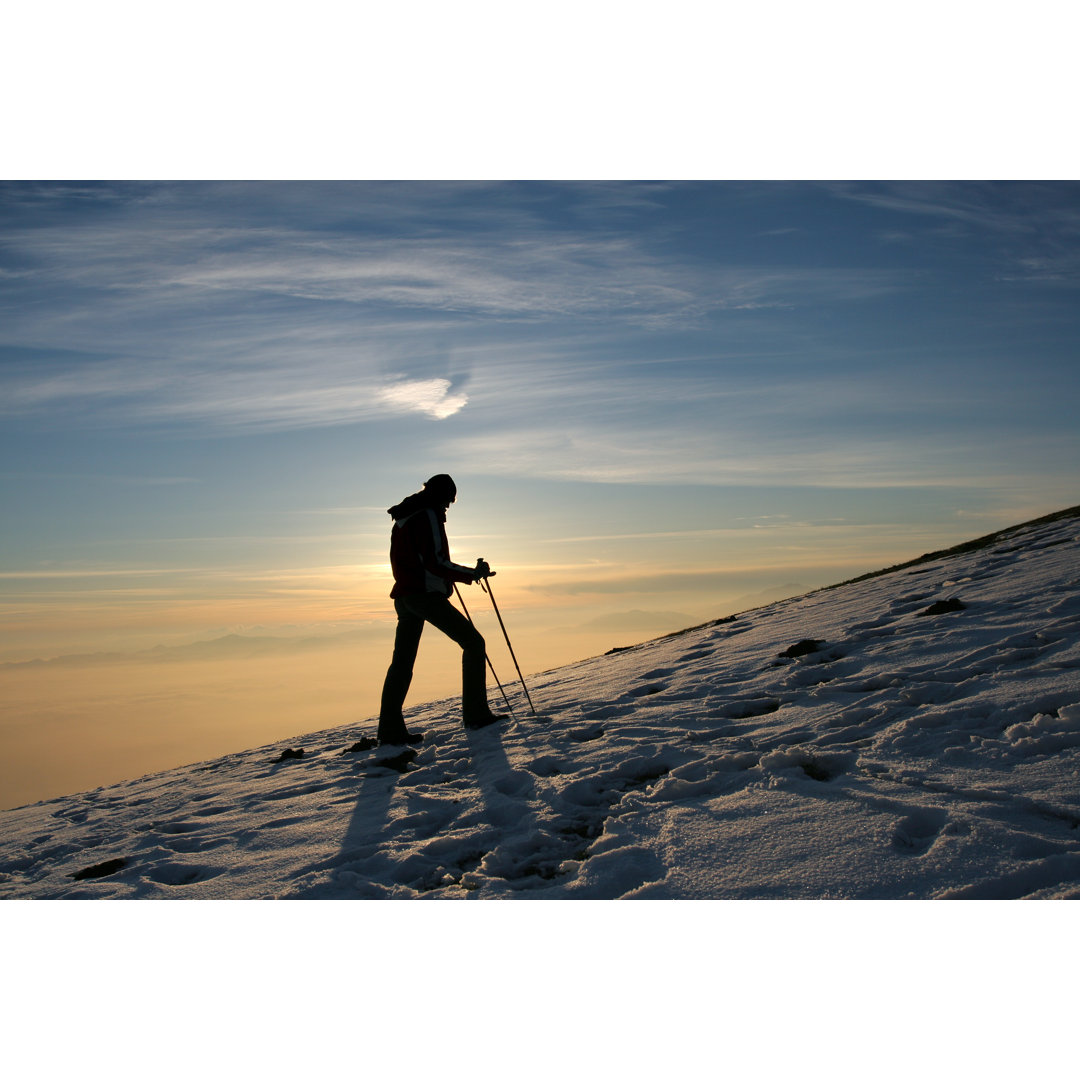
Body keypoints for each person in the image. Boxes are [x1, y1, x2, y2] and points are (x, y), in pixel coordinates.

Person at [377, 474, 505, 745]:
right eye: (448, 501)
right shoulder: (428, 514)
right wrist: (473, 574)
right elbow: (436, 562)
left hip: (406, 596)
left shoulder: (405, 516)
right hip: (424, 595)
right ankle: (476, 714)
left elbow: (414, 559)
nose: (448, 507)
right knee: (473, 643)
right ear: (441, 496)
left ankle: (389, 730)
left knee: (402, 662)